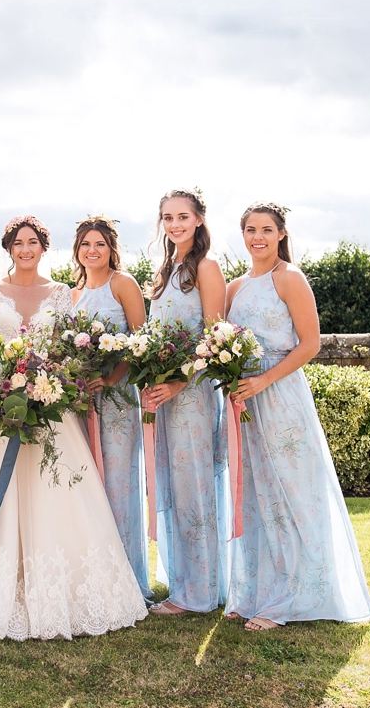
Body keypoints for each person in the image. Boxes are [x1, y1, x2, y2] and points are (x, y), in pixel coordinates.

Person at [0, 215, 148, 640]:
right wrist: (1, 383)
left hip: (46, 400)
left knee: (52, 493)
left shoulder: (60, 293)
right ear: (8, 248)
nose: (25, 249)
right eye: (18, 242)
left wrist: (43, 382)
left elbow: (60, 346)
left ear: (43, 248)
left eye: (33, 242)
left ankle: (56, 592)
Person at [225, 202, 370, 630]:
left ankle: (295, 597)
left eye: (267, 230)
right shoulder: (235, 287)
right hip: (243, 401)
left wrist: (264, 380)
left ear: (281, 234)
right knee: (254, 493)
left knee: (292, 491)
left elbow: (310, 344)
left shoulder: (289, 278)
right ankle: (255, 590)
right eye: (251, 230)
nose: (259, 237)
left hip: (280, 396)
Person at [143, 188, 227, 615]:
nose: (175, 224)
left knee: (194, 488)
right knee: (173, 488)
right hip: (164, 396)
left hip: (192, 395)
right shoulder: (165, 270)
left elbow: (214, 339)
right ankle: (183, 582)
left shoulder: (207, 268)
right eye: (168, 217)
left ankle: (199, 593)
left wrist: (177, 383)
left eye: (182, 216)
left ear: (198, 219)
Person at [70, 215, 152, 601]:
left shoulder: (124, 284)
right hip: (82, 399)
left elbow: (141, 344)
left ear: (111, 247)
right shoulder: (73, 292)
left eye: (99, 244)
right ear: (77, 250)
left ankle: (128, 581)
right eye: (86, 244)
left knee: (119, 484)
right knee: (89, 485)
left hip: (117, 399)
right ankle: (94, 576)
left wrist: (111, 377)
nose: (92, 250)